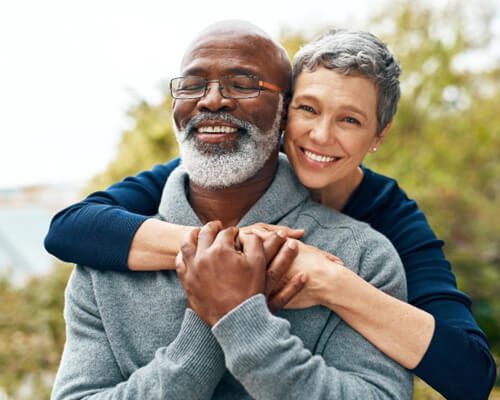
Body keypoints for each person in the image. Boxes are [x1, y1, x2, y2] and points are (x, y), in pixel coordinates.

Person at [45, 27, 496, 400]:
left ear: (379, 134)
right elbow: (68, 227)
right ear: (288, 115)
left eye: (350, 120)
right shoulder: (109, 255)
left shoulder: (379, 239)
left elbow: (470, 375)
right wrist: (223, 262)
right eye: (309, 109)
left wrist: (327, 286)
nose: (320, 135)